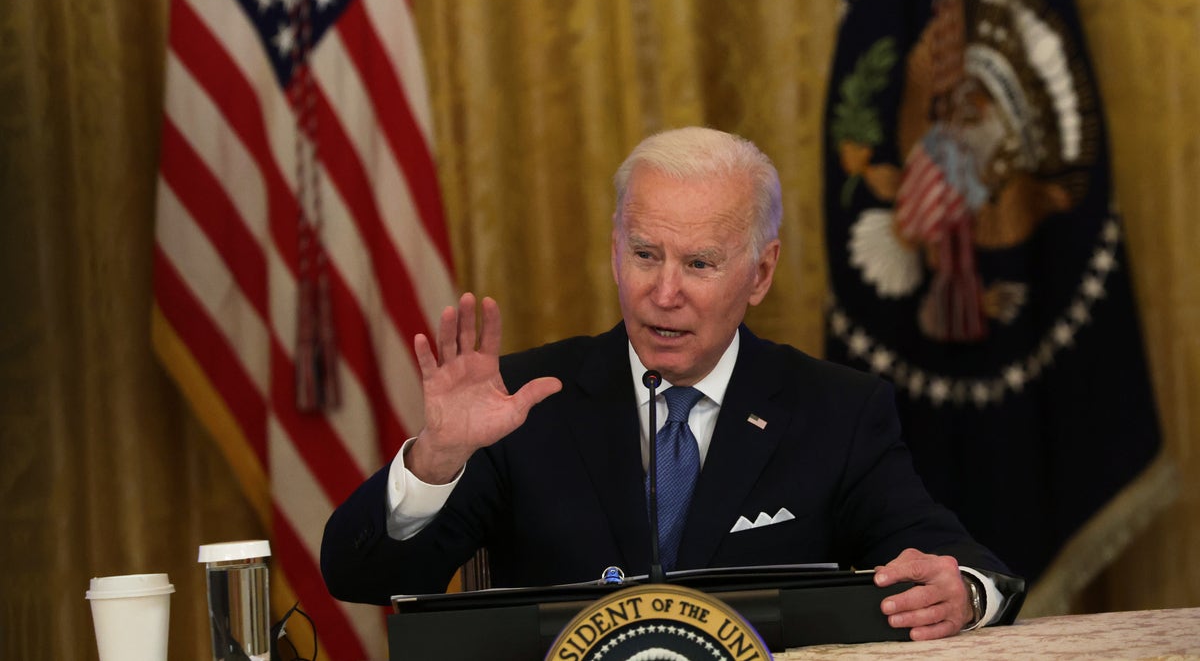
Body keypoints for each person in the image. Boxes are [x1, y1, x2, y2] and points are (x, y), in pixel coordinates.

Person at [321, 127, 1020, 641]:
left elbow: (959, 562)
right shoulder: (524, 400)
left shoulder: (836, 410)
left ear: (762, 272)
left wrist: (964, 591)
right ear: (613, 252)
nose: (664, 291)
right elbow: (360, 578)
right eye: (645, 254)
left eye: (700, 263)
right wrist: (436, 461)